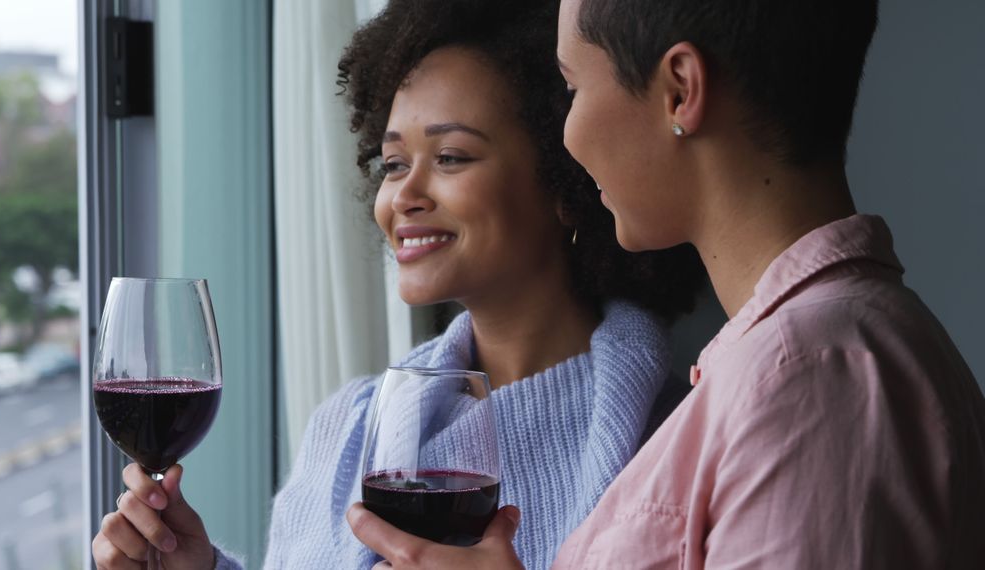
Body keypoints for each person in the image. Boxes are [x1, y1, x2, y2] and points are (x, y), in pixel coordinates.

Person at [346, 0, 985, 568]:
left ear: (680, 90)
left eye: (571, 90)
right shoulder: (803, 358)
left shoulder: (808, 376)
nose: (565, 138)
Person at [89, 0, 705, 568]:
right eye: (393, 164)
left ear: (566, 178)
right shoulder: (348, 426)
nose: (403, 196)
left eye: (451, 157)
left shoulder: (672, 442)